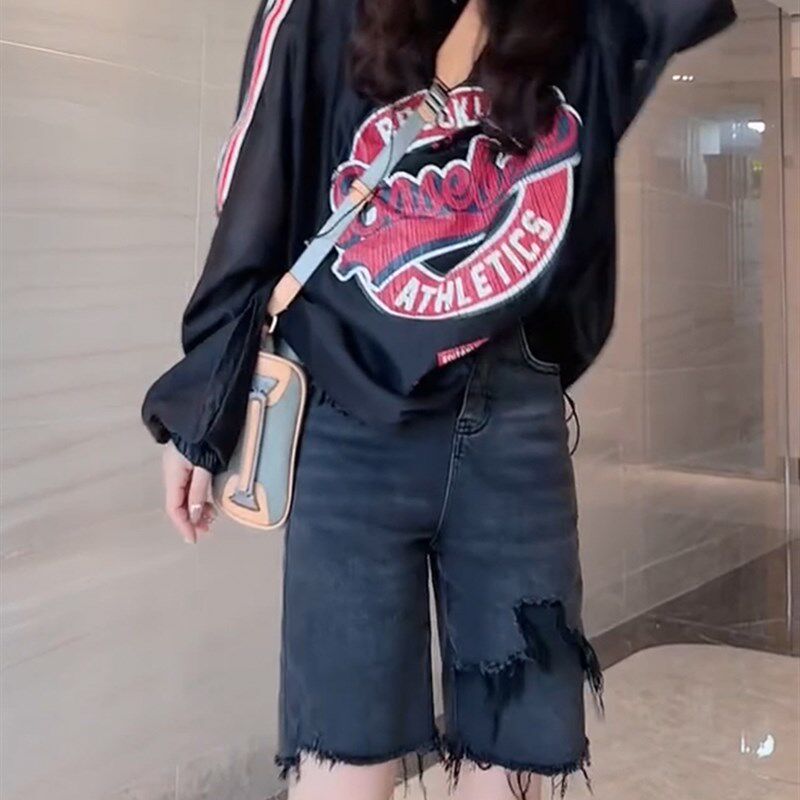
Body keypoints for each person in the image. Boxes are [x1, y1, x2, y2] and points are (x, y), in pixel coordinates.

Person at [142, 1, 737, 797]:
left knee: (513, 756)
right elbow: (258, 186)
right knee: (343, 757)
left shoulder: (576, 16)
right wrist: (201, 411)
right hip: (351, 419)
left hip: (514, 422)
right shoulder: (319, 11)